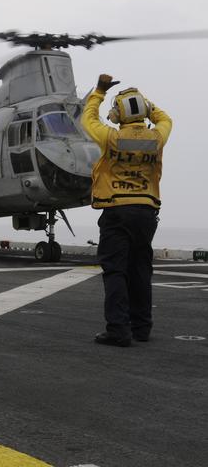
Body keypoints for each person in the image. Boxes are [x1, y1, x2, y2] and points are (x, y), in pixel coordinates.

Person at [81, 74, 172, 347]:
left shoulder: (111, 137)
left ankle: (118, 330)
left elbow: (88, 119)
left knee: (115, 271)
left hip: (116, 211)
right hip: (146, 212)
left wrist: (99, 91)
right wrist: (146, 104)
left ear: (119, 114)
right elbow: (165, 119)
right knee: (141, 270)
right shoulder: (156, 138)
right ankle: (141, 328)